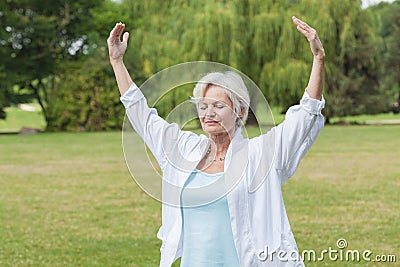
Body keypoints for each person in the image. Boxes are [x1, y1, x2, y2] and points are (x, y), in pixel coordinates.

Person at [108, 15, 325, 267]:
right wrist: (116, 61)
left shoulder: (260, 154)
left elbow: (305, 114)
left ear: (240, 112)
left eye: (218, 106)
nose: (208, 113)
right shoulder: (184, 150)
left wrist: (318, 59)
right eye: (203, 106)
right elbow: (140, 113)